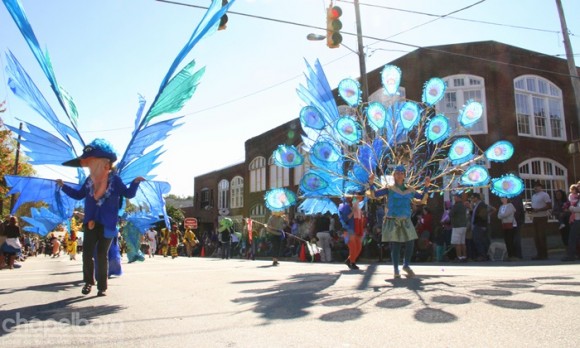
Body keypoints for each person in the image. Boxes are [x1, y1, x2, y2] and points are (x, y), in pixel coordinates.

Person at [57, 138, 144, 297]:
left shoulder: (115, 180)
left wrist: (135, 182)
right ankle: (88, 282)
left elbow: (128, 193)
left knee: (101, 254)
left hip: (108, 224)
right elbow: (78, 195)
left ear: (105, 162)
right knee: (87, 254)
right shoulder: (89, 180)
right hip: (90, 222)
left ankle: (102, 286)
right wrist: (63, 186)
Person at [369, 166, 431, 278]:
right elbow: (374, 194)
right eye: (397, 173)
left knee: (410, 242)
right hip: (393, 220)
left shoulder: (410, 190)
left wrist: (426, 187)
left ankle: (406, 265)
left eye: (402, 173)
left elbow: (421, 198)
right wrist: (371, 183)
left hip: (406, 220)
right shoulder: (389, 189)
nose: (399, 175)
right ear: (394, 175)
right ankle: (396, 269)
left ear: (404, 175)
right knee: (396, 245)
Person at [338, 196, 364, 270]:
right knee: (353, 248)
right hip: (348, 230)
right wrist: (353, 211)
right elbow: (345, 218)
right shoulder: (344, 206)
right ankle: (352, 262)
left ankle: (349, 260)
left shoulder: (356, 207)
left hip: (356, 230)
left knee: (359, 248)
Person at [529, 181, 552, 260]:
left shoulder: (544, 195)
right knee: (536, 237)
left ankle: (544, 254)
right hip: (535, 217)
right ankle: (539, 254)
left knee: (541, 236)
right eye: (534, 186)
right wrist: (530, 211)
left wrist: (539, 210)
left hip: (542, 217)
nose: (535, 188)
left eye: (537, 186)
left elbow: (549, 205)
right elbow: (532, 206)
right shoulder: (534, 196)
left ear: (540, 187)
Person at [470, 193, 496, 261]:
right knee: (480, 240)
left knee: (479, 240)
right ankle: (483, 255)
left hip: (480, 225)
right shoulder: (476, 205)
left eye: (473, 198)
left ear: (476, 198)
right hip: (478, 225)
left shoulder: (482, 205)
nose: (472, 199)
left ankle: (483, 255)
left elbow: (482, 216)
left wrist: (481, 224)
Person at [450, 193, 468, 262]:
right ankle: (464, 256)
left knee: (457, 243)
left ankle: (459, 257)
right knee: (463, 243)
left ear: (458, 197)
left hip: (457, 226)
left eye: (455, 197)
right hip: (464, 226)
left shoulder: (456, 206)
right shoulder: (463, 205)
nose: (454, 198)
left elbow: (451, 214)